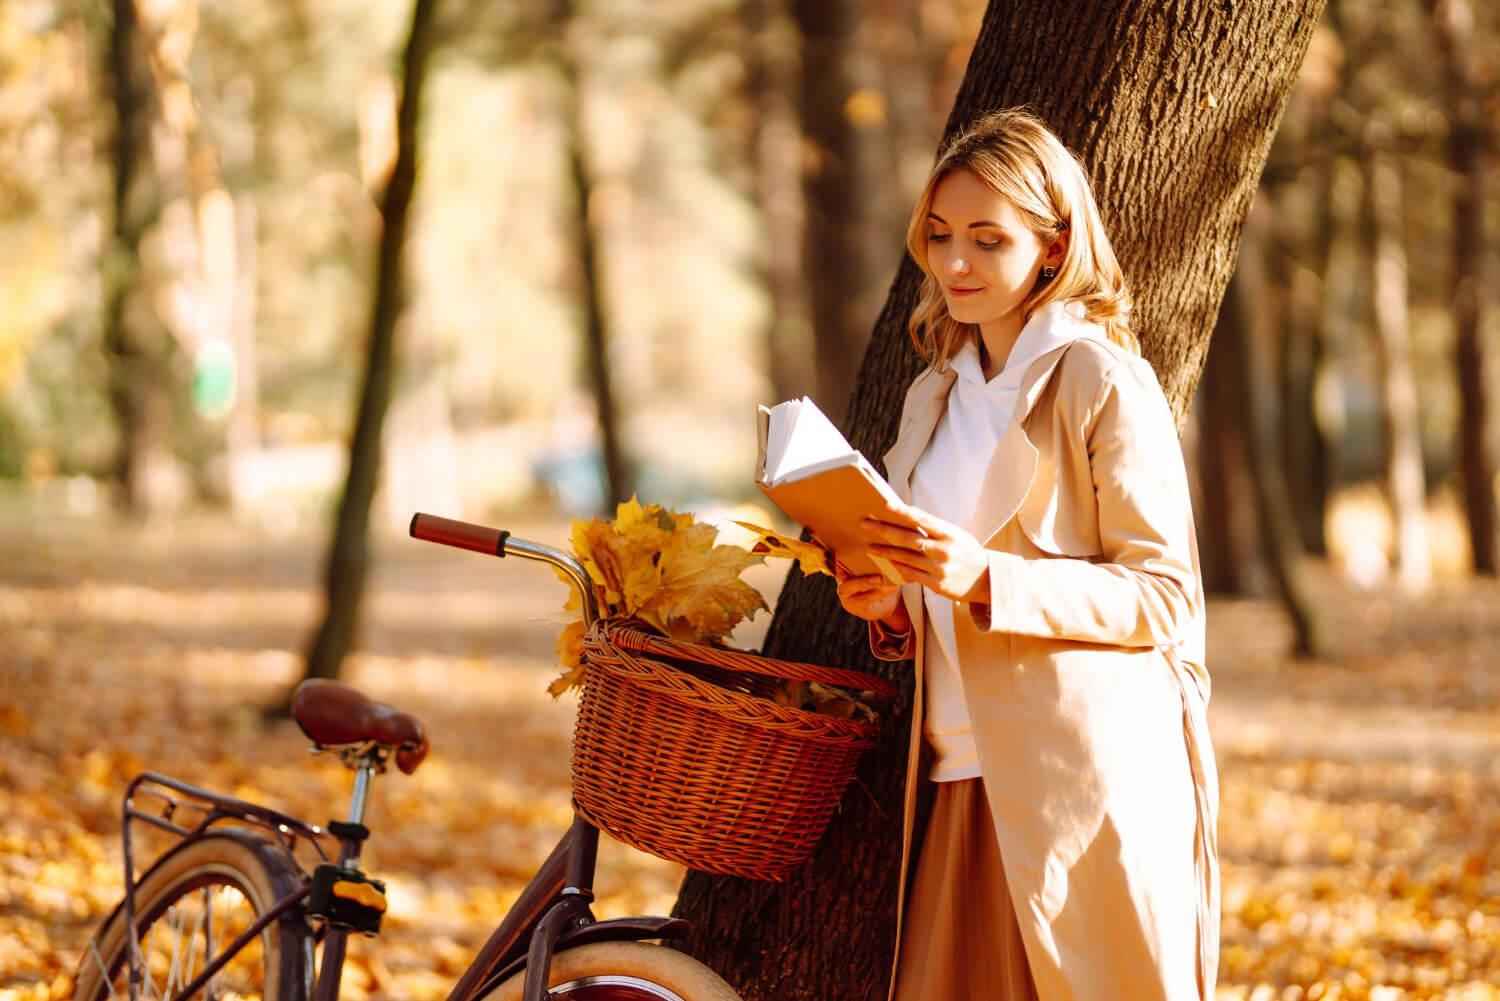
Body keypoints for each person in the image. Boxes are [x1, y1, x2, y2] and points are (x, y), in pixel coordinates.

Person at [833, 107, 1219, 1001]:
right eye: (938, 235)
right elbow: (931, 583)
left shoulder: (1103, 380)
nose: (954, 263)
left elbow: (1164, 595)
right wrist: (887, 603)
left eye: (986, 238)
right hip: (956, 774)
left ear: (1051, 248)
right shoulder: (932, 395)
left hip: (1081, 783)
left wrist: (986, 577)